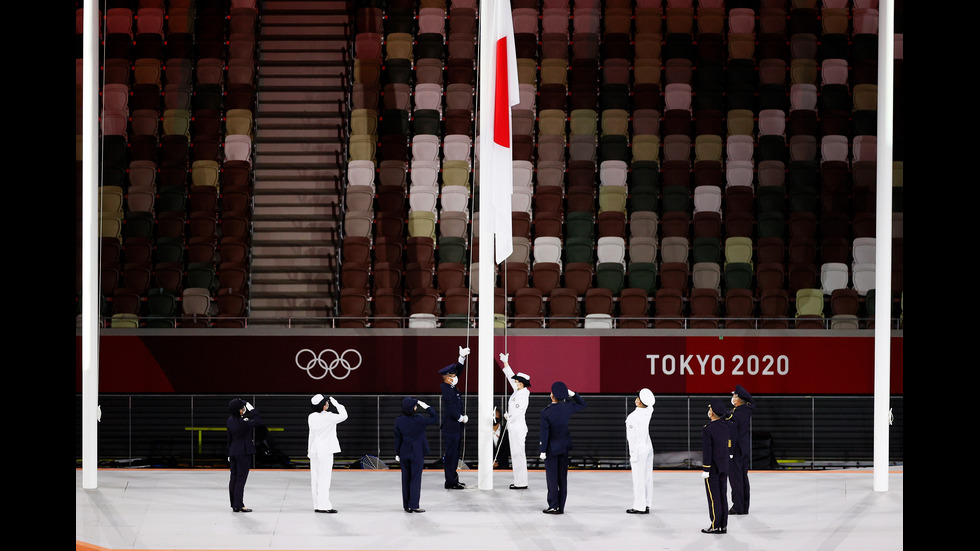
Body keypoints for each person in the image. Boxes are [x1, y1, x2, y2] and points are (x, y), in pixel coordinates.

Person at [539, 381, 587, 514]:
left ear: (552, 395)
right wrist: (574, 394)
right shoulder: (567, 407)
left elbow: (545, 432)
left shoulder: (546, 412)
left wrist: (542, 450)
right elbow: (583, 404)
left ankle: (553, 506)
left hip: (551, 449)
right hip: (564, 447)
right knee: (562, 478)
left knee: (552, 479)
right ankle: (561, 506)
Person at [394, 397, 439, 513]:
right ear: (412, 408)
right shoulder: (419, 419)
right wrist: (426, 406)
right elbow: (435, 418)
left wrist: (397, 453)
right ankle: (414, 505)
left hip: (404, 452)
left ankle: (406, 506)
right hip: (416, 452)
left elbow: (397, 438)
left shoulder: (399, 421)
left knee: (405, 479)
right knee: (415, 478)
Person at [307, 394, 348, 513]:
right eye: (326, 403)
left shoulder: (311, 417)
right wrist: (337, 404)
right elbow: (344, 415)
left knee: (315, 479)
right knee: (324, 478)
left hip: (314, 450)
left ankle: (317, 505)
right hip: (325, 450)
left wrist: (309, 450)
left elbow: (311, 435)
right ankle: (324, 506)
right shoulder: (329, 416)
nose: (328, 404)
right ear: (323, 405)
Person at [438, 346, 470, 489]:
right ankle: (450, 482)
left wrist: (461, 358)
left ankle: (453, 478)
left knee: (455, 453)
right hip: (451, 425)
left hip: (454, 426)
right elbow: (451, 407)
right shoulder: (446, 389)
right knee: (451, 455)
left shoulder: (450, 386)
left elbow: (459, 371)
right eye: (453, 375)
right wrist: (460, 418)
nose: (456, 376)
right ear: (448, 377)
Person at [498, 352, 530, 489]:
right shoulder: (518, 390)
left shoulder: (523, 394)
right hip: (513, 426)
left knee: (518, 455)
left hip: (517, 427)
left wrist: (508, 417)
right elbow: (510, 377)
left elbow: (518, 411)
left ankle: (521, 482)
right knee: (516, 454)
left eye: (517, 381)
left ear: (522, 383)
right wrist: (506, 363)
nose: (515, 382)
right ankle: (519, 481)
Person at [701, 399, 733, 534]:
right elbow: (730, 443)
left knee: (714, 498)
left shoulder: (708, 429)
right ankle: (723, 525)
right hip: (724, 465)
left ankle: (715, 525)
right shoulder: (727, 425)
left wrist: (706, 468)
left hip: (713, 467)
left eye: (710, 410)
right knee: (722, 495)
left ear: (712, 413)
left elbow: (708, 451)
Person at [227, 398, 262, 513]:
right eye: (242, 408)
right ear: (239, 410)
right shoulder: (243, 423)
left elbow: (229, 438)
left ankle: (234, 504)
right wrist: (252, 409)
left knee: (234, 478)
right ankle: (239, 505)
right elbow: (258, 421)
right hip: (243, 453)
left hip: (233, 452)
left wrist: (228, 452)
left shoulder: (230, 421)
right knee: (241, 480)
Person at [626, 388, 656, 514]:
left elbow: (632, 438)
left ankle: (639, 506)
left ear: (639, 401)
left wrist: (632, 454)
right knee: (648, 476)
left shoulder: (632, 416)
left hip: (638, 449)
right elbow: (650, 404)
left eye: (638, 398)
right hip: (648, 446)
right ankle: (647, 503)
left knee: (638, 479)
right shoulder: (649, 410)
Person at [727, 384, 755, 515]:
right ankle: (744, 506)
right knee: (743, 477)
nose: (732, 397)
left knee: (735, 478)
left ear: (738, 399)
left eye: (734, 395)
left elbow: (733, 434)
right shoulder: (747, 410)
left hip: (736, 450)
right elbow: (752, 402)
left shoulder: (736, 414)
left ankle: (738, 506)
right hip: (744, 449)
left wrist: (730, 451)